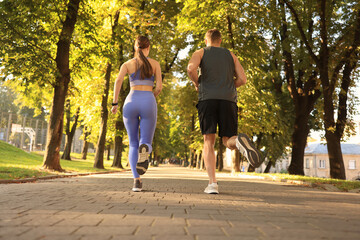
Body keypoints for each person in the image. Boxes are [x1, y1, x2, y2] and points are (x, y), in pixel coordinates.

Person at [187, 29, 263, 194]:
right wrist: (229, 86)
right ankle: (239, 142)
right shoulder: (231, 55)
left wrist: (197, 84)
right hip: (228, 100)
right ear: (220, 41)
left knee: (209, 140)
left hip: (207, 98)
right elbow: (243, 79)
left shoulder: (200, 52)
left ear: (206, 40)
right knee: (228, 140)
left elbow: (190, 69)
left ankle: (213, 184)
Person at [112, 36, 162, 192]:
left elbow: (118, 81)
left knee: (133, 142)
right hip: (147, 100)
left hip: (130, 102)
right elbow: (159, 87)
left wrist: (115, 103)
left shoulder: (127, 64)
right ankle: (145, 148)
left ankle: (136, 181)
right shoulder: (155, 64)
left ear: (135, 47)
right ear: (149, 47)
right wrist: (150, 98)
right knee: (145, 141)